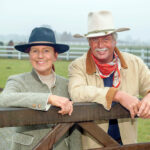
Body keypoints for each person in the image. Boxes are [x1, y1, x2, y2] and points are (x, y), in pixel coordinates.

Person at [68, 10, 150, 149]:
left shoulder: (134, 63)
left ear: (114, 41)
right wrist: (118, 95)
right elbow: (76, 92)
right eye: (95, 40)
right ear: (89, 42)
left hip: (127, 144)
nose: (100, 45)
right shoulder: (78, 66)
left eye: (105, 39)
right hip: (93, 145)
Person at [0, 27, 81, 150]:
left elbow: (75, 129)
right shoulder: (17, 81)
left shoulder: (67, 85)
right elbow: (4, 99)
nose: (40, 56)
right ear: (29, 54)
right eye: (35, 51)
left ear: (55, 56)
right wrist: (48, 99)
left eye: (46, 51)